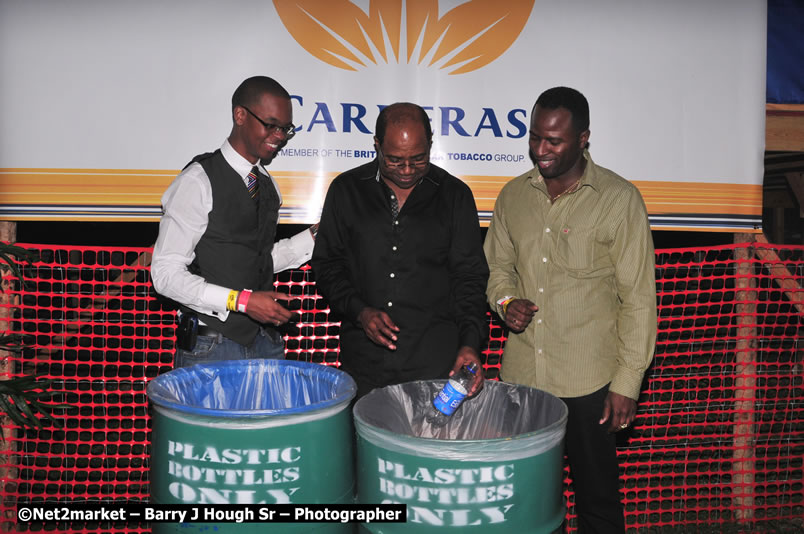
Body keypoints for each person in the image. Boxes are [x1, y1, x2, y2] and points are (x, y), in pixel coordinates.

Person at [484, 87, 657, 533]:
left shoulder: (619, 200)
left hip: (589, 384)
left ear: (584, 138)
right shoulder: (512, 196)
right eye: (535, 137)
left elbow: (638, 298)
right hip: (523, 381)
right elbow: (497, 269)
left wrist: (627, 383)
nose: (540, 150)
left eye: (554, 141)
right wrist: (506, 303)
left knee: (597, 500)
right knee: (528, 496)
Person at [311, 102, 489, 398]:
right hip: (363, 366)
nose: (407, 170)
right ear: (377, 145)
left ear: (431, 144)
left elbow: (469, 279)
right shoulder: (347, 190)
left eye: (418, 159)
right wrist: (359, 312)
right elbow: (328, 265)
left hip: (434, 366)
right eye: (394, 160)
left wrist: (470, 343)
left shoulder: (455, 196)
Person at [151, 76, 317, 368]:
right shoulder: (198, 180)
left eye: (286, 129)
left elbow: (255, 259)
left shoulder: (267, 185)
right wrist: (242, 302)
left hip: (265, 342)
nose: (279, 136)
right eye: (271, 124)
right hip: (211, 346)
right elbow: (165, 275)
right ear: (240, 115)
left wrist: (315, 237)